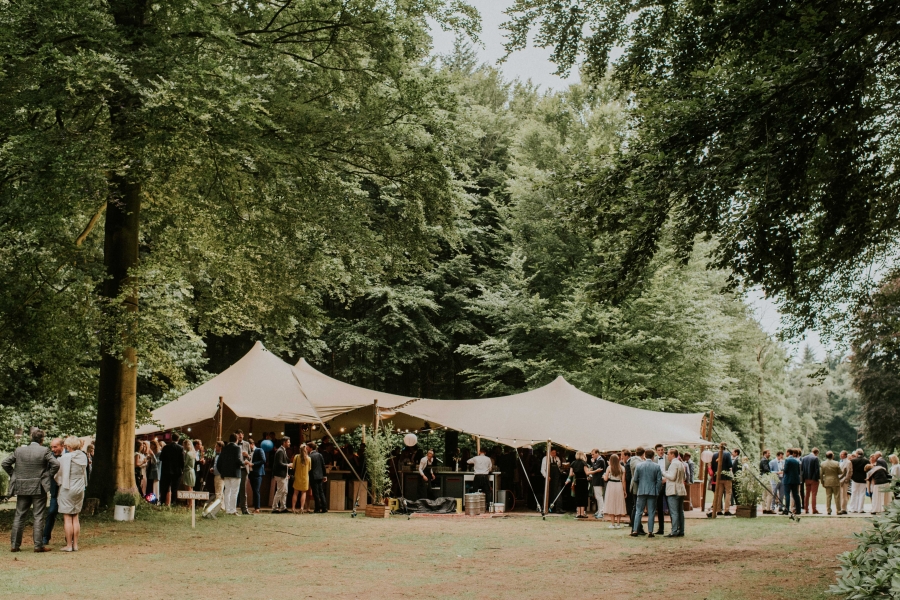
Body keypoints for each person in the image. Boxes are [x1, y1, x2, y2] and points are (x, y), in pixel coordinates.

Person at [2, 428, 59, 552]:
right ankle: (38, 546)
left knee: (19, 516)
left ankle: (14, 545)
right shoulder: (44, 450)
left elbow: (5, 463)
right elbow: (56, 464)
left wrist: (14, 475)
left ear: (31, 438)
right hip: (39, 487)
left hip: (21, 487)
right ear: (42, 440)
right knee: (38, 516)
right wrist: (47, 476)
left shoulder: (19, 450)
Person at [56, 437, 88, 552]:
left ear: (68, 446)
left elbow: (58, 473)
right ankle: (76, 545)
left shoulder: (65, 458)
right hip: (79, 488)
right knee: (76, 516)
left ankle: (69, 545)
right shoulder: (83, 456)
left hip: (68, 488)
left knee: (68, 518)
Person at [631, 449, 662, 538]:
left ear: (645, 455)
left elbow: (635, 479)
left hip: (641, 490)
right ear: (653, 456)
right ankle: (650, 531)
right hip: (652, 491)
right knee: (651, 512)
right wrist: (657, 490)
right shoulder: (657, 466)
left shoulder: (639, 466)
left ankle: (635, 530)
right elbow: (659, 481)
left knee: (638, 511)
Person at [41, 437, 64, 547]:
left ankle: (69, 538)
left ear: (62, 446)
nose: (53, 449)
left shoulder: (68, 456)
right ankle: (45, 537)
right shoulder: (49, 457)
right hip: (55, 490)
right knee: (51, 512)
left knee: (68, 515)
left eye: (55, 447)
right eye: (52, 447)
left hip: (66, 489)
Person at [663, 448, 686, 537]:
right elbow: (684, 477)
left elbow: (672, 477)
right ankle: (681, 530)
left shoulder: (673, 464)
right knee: (680, 511)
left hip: (673, 490)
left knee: (674, 512)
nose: (667, 455)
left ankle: (674, 530)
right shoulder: (680, 463)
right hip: (680, 489)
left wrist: (664, 473)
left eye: (668, 454)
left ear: (673, 454)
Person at [218, 433, 244, 515]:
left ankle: (227, 509)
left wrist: (222, 472)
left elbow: (219, 462)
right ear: (236, 439)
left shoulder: (224, 448)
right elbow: (238, 460)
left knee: (227, 491)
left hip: (226, 473)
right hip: (235, 473)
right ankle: (232, 509)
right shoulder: (237, 448)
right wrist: (244, 463)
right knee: (234, 492)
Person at [159, 432, 185, 506]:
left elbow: (161, 458)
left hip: (166, 470)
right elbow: (182, 461)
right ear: (178, 439)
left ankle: (162, 502)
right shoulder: (180, 448)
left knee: (165, 487)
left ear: (171, 438)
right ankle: (174, 502)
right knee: (175, 488)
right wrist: (182, 470)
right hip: (176, 471)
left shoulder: (166, 447)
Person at [603, 454, 627, 528]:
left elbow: (605, 479)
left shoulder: (609, 467)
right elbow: (623, 481)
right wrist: (624, 490)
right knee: (619, 503)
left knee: (611, 503)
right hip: (619, 485)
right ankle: (618, 524)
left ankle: (612, 524)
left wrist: (604, 476)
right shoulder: (622, 468)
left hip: (611, 485)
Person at [711, 447, 734, 515]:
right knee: (728, 493)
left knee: (719, 494)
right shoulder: (727, 454)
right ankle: (726, 510)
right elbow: (730, 465)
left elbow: (712, 466)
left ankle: (718, 510)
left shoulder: (714, 455)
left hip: (718, 477)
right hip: (726, 476)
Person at [540, 447, 564, 514]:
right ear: (549, 452)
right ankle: (545, 508)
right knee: (547, 493)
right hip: (549, 479)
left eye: (555, 453)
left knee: (558, 493)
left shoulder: (557, 459)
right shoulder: (545, 458)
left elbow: (559, 469)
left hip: (556, 479)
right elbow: (542, 470)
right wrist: (546, 476)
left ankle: (558, 508)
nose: (554, 454)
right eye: (553, 453)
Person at [567, 451, 591, 519]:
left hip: (577, 480)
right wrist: (595, 471)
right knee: (583, 496)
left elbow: (571, 474)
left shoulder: (573, 463)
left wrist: (576, 473)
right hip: (583, 480)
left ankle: (578, 513)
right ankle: (582, 513)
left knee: (578, 496)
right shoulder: (584, 463)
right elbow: (587, 473)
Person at [627, 447, 645, 532]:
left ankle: (638, 527)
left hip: (637, 486)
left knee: (637, 507)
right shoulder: (636, 461)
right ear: (643, 453)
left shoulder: (635, 460)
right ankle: (635, 527)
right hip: (636, 486)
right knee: (636, 507)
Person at [271, 437, 291, 513]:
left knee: (284, 491)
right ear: (284, 442)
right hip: (280, 474)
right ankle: (274, 507)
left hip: (284, 474)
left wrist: (287, 473)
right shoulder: (280, 451)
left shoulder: (282, 450)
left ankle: (283, 507)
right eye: (288, 442)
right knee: (280, 491)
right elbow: (279, 463)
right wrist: (288, 465)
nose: (289, 443)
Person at [819, 451, 841, 515]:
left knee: (828, 496)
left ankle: (828, 510)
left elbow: (821, 474)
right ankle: (838, 510)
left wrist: (822, 482)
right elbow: (840, 472)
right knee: (837, 496)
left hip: (827, 481)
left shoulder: (823, 463)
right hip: (835, 481)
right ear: (832, 456)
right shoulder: (836, 463)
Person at [653, 444, 669, 534]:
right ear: (656, 451)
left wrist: (666, 479)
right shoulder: (654, 460)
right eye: (659, 450)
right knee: (659, 507)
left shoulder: (668, 458)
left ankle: (674, 529)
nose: (661, 451)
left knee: (670, 506)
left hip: (668, 484)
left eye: (662, 450)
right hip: (658, 484)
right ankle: (661, 529)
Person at [235, 429, 252, 515]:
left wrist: (247, 455)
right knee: (234, 489)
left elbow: (250, 457)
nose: (240, 435)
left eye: (241, 434)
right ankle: (232, 509)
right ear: (236, 435)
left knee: (243, 490)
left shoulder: (247, 444)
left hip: (244, 469)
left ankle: (244, 509)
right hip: (235, 468)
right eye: (238, 434)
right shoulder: (234, 444)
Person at [291, 444, 311, 514]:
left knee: (295, 493)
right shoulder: (308, 458)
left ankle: (293, 508)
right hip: (305, 478)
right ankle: (302, 508)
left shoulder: (296, 457)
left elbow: (293, 466)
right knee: (303, 493)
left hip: (297, 477)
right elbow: (309, 469)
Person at [782, 449, 803, 516]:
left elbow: (785, 470)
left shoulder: (787, 460)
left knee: (787, 495)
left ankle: (786, 510)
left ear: (788, 453)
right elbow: (798, 471)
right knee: (796, 495)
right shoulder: (797, 461)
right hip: (795, 480)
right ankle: (798, 510)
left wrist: (783, 468)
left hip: (788, 480)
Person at [309, 442, 328, 513]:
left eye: (307, 447)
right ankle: (324, 507)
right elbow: (323, 465)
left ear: (311, 448)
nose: (307, 448)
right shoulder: (320, 455)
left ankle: (317, 508)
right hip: (320, 476)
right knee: (321, 492)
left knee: (315, 493)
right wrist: (325, 475)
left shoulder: (310, 456)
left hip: (313, 476)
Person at [587, 449, 607, 519]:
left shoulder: (600, 460)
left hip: (598, 481)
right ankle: (599, 510)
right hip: (596, 481)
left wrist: (592, 462)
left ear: (597, 453)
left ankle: (601, 511)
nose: (592, 456)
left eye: (593, 454)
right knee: (598, 496)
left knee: (599, 496)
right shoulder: (598, 460)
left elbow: (595, 468)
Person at [801, 447, 821, 514]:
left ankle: (806, 509)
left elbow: (802, 469)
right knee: (814, 494)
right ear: (816, 452)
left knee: (807, 494)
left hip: (806, 478)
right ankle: (814, 509)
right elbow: (817, 470)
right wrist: (818, 478)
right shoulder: (815, 458)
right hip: (813, 479)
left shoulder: (804, 458)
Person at [249, 439, 265, 514]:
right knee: (254, 490)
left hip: (258, 473)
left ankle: (257, 508)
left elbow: (263, 460)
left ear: (252, 444)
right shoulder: (249, 452)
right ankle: (255, 507)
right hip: (251, 472)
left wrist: (253, 464)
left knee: (256, 490)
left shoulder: (259, 450)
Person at [759, 449, 774, 514]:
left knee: (764, 494)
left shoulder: (762, 460)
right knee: (770, 493)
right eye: (768, 453)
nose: (769, 454)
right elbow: (766, 469)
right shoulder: (765, 460)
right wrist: (772, 473)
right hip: (766, 478)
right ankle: (768, 509)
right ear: (765, 454)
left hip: (762, 478)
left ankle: (764, 508)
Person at [838, 450, 852, 515]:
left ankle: (844, 508)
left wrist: (846, 480)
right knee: (841, 495)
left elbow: (849, 472)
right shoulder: (840, 462)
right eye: (840, 454)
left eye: (842, 454)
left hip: (844, 481)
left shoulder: (848, 462)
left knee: (844, 495)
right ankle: (841, 507)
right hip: (839, 480)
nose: (840, 455)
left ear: (845, 455)